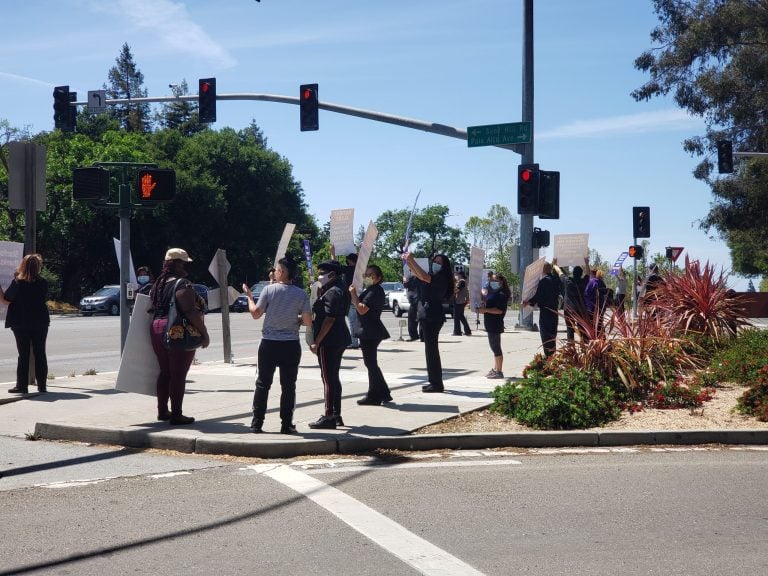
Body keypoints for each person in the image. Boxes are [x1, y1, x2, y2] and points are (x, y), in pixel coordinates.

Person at [245, 256, 312, 434]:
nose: (273, 272)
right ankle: (286, 423)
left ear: (282, 272)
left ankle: (257, 422)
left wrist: (250, 298)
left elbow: (256, 314)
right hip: (290, 344)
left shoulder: (268, 290)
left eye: (276, 269)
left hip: (269, 343)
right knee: (289, 385)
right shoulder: (301, 294)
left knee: (263, 383)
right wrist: (294, 319)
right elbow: (307, 321)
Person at [149, 248, 210, 425]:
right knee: (178, 374)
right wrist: (204, 333)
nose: (186, 266)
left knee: (165, 371)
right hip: (175, 329)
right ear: (175, 264)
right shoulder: (183, 284)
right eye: (183, 263)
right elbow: (190, 311)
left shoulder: (158, 284)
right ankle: (176, 414)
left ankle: (162, 411)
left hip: (156, 327)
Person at [403, 251, 455, 393]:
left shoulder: (442, 278)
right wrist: (408, 263)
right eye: (435, 261)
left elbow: (424, 277)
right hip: (427, 315)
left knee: (432, 351)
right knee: (430, 351)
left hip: (433, 316)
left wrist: (412, 260)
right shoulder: (433, 276)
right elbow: (419, 277)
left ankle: (436, 383)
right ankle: (434, 381)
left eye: (439, 262)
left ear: (444, 266)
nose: (436, 264)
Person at [308, 260, 351, 429]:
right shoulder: (340, 288)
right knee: (333, 377)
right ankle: (336, 414)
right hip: (339, 337)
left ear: (332, 274)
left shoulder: (333, 292)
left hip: (329, 339)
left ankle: (328, 416)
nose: (320, 276)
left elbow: (329, 319)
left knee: (327, 378)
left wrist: (317, 341)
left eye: (322, 273)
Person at [0, 254, 50, 394]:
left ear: (23, 265)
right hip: (40, 321)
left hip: (21, 322)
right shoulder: (43, 282)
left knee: (24, 354)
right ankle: (42, 386)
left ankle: (22, 386)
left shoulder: (18, 282)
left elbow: (6, 300)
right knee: (40, 353)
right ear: (38, 267)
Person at [350, 264, 393, 405]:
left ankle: (374, 395)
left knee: (371, 363)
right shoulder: (371, 290)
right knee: (371, 363)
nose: (367, 277)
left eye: (371, 275)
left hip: (370, 331)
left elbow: (362, 309)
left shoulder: (375, 291)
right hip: (368, 330)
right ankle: (384, 392)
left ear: (378, 278)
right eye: (366, 275)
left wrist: (354, 295)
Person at [524, 262, 560, 357]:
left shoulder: (544, 281)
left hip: (545, 312)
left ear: (542, 270)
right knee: (552, 335)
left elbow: (538, 296)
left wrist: (527, 302)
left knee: (546, 335)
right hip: (554, 312)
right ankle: (553, 357)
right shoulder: (556, 280)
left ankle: (548, 357)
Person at [478, 273, 510, 379]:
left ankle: (499, 371)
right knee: (494, 347)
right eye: (491, 279)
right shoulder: (494, 293)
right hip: (490, 323)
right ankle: (496, 369)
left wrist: (485, 310)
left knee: (496, 347)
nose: (492, 281)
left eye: (494, 280)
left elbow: (499, 310)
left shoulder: (501, 294)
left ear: (501, 282)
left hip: (495, 324)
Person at [563, 265, 588, 342]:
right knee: (582, 328)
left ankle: (571, 348)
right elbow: (588, 274)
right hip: (580, 309)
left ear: (573, 273)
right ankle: (583, 347)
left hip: (569, 309)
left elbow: (560, 273)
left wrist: (555, 264)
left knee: (570, 328)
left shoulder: (567, 281)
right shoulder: (584, 282)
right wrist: (587, 263)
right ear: (581, 274)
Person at [452, 271, 472, 336]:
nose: (455, 276)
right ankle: (467, 331)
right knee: (460, 316)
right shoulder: (461, 281)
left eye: (456, 275)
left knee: (456, 316)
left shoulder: (461, 282)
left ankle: (457, 332)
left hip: (459, 301)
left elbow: (456, 290)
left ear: (460, 275)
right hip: (460, 301)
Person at [403, 273, 421, 341]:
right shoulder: (410, 276)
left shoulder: (418, 276)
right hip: (413, 301)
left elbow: (409, 285)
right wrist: (405, 280)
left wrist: (407, 281)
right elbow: (406, 285)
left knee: (418, 318)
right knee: (412, 319)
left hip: (418, 300)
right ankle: (414, 336)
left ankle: (420, 336)